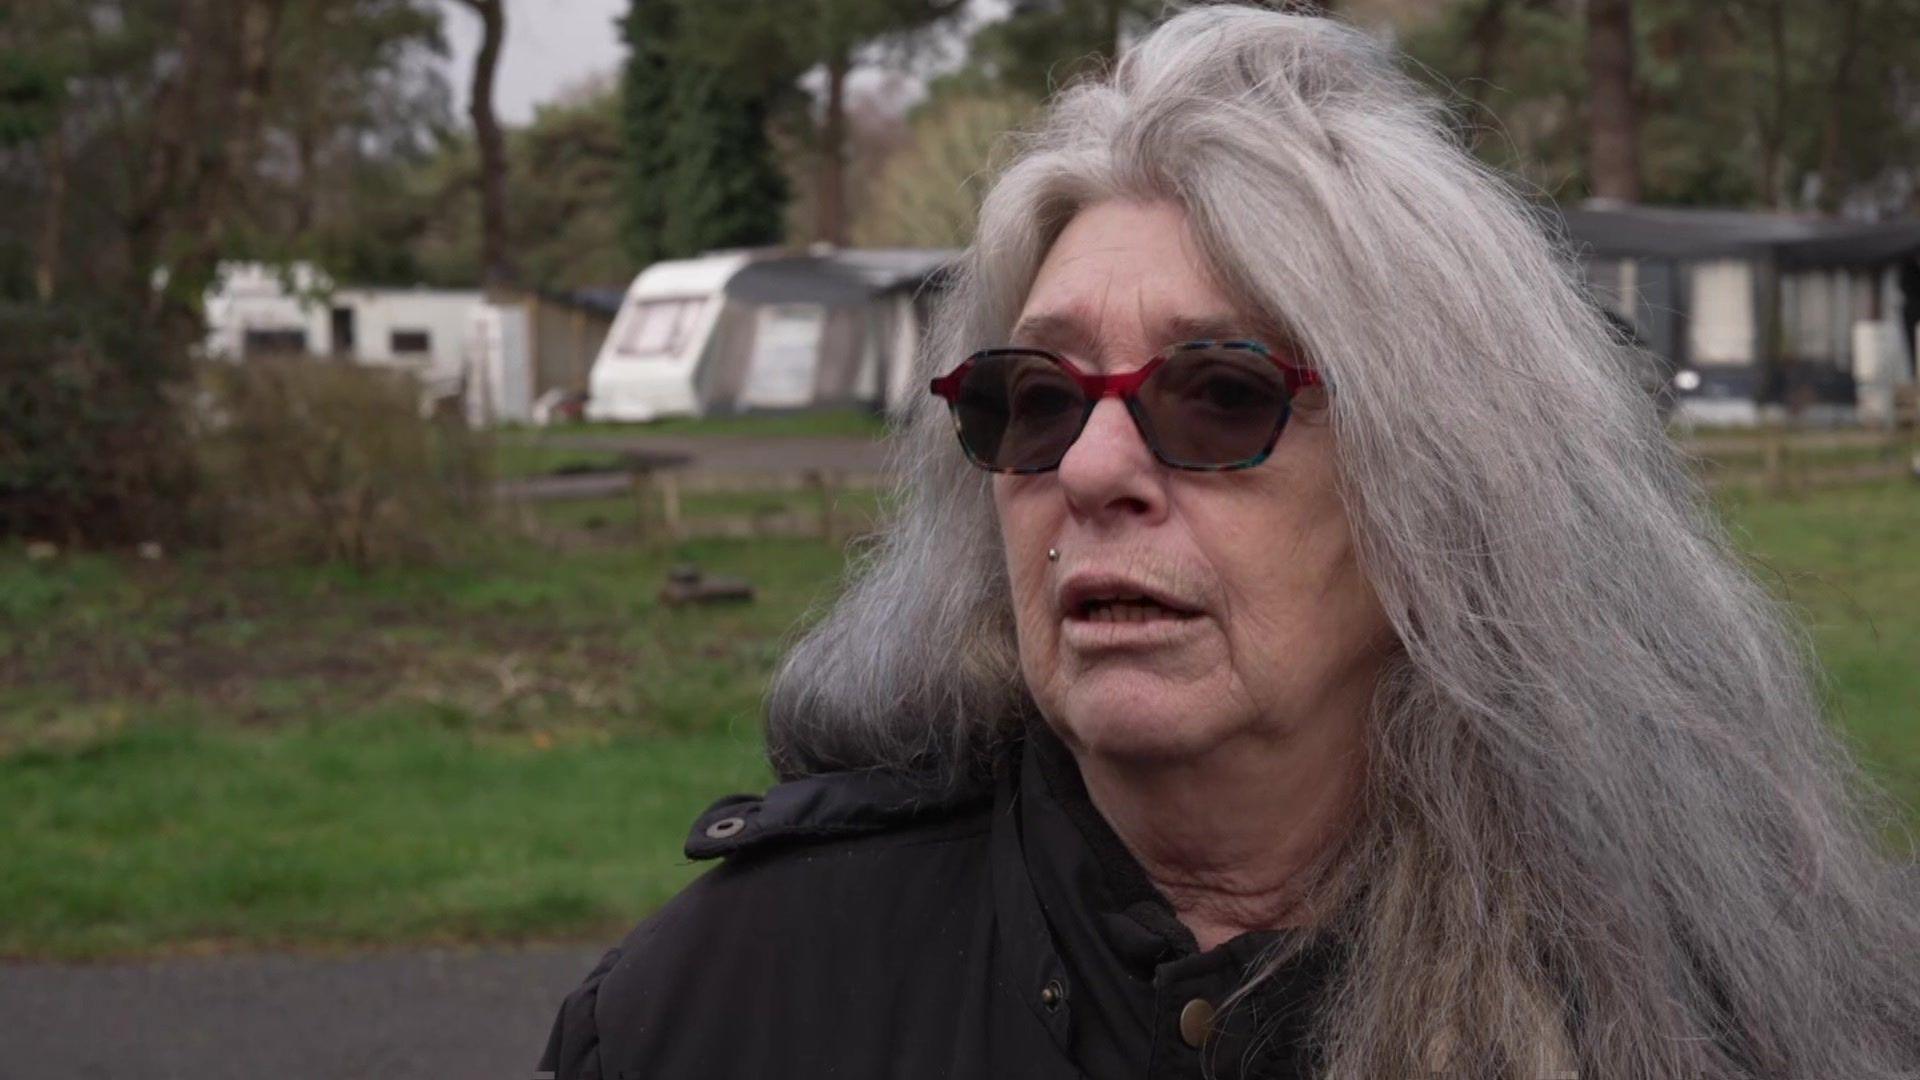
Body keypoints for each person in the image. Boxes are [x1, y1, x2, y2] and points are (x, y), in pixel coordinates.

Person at [537, 6, 1920, 1078]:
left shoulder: (1725, 993)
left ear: (1446, 488)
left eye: (1222, 395)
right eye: (1037, 400)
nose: (1090, 468)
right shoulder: (714, 1014)